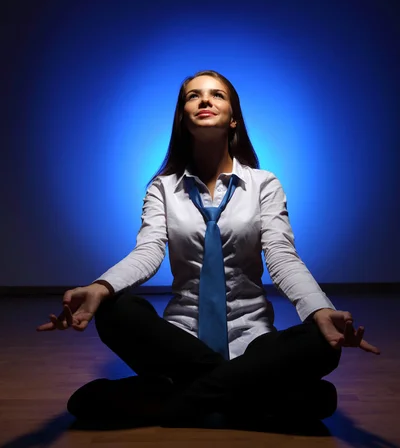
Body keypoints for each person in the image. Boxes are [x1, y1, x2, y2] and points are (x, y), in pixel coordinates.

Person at [37, 69, 380, 430]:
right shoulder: (163, 188)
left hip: (253, 344)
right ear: (182, 119)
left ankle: (178, 400)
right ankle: (250, 395)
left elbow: (281, 255)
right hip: (180, 346)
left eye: (217, 94)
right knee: (115, 310)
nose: (204, 100)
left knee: (322, 340)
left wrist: (319, 309)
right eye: (193, 95)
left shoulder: (264, 185)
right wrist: (100, 287)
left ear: (234, 118)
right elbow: (148, 252)